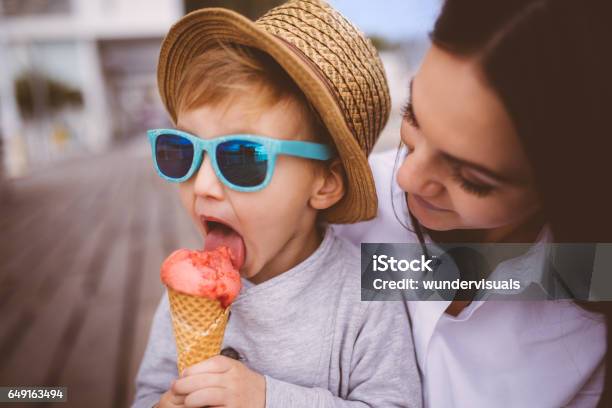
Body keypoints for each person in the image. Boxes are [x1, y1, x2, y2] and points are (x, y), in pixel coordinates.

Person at [132, 1, 421, 407]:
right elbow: (148, 391)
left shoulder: (363, 298)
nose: (203, 184)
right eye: (182, 150)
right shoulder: (186, 293)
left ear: (324, 183)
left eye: (241, 156)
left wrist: (268, 399)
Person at [334, 0, 612, 406]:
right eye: (413, 117)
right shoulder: (347, 206)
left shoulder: (591, 292)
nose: (405, 177)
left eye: (470, 179)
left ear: (565, 186)